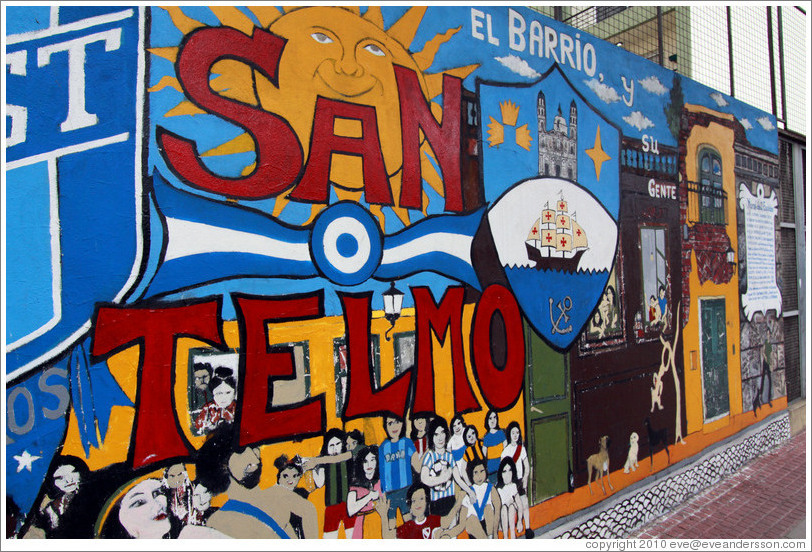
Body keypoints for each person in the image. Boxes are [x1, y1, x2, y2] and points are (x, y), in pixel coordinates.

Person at [195, 428, 317, 538]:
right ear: (222, 465)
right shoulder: (219, 521)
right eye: (241, 451)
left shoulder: (277, 493)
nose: (255, 456)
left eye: (253, 448)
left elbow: (309, 511)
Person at [420, 417, 474, 519]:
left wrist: (470, 492)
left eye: (442, 433)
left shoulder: (449, 456)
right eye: (436, 434)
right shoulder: (430, 456)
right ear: (431, 437)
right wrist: (442, 478)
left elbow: (458, 478)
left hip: (451, 500)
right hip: (436, 503)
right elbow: (424, 478)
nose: (440, 438)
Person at [28, 456, 93, 538]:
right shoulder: (46, 510)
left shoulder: (88, 499)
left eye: (72, 472)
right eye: (60, 478)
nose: (69, 480)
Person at [311, 428, 356, 538]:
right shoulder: (323, 463)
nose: (335, 448)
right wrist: (313, 468)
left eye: (338, 444)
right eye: (331, 445)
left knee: (353, 536)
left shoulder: (348, 457)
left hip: (349, 505)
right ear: (326, 447)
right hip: (331, 506)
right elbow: (320, 483)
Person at [439, 459, 500, 539]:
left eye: (482, 471)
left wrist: (495, 533)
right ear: (471, 474)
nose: (479, 476)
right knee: (471, 519)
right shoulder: (468, 492)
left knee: (488, 508)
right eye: (476, 472)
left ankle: (490, 536)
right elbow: (461, 524)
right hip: (475, 529)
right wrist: (449, 534)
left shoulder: (490, 488)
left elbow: (498, 509)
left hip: (489, 526)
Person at [378, 415, 419, 524]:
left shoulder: (407, 442)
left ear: (402, 423)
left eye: (397, 422)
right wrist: (382, 493)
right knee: (391, 524)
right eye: (390, 423)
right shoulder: (383, 447)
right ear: (385, 426)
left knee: (409, 522)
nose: (394, 427)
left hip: (406, 490)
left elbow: (417, 466)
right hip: (390, 493)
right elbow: (381, 473)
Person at [378, 483, 442, 539]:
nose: (417, 503)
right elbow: (387, 537)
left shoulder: (435, 520)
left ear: (427, 501)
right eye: (414, 501)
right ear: (410, 506)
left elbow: (449, 523)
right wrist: (383, 515)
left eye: (421, 499)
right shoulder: (407, 527)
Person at [501, 422, 532, 538]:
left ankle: (528, 528)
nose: (515, 435)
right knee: (512, 508)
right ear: (509, 434)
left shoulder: (521, 449)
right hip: (510, 483)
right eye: (513, 433)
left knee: (524, 504)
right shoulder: (505, 451)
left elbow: (527, 466)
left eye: (517, 433)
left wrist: (525, 478)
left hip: (519, 480)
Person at [347, 445, 383, 538]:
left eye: (372, 460)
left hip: (379, 521)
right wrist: (369, 496)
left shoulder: (381, 481)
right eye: (365, 461)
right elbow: (350, 510)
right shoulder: (355, 484)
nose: (369, 465)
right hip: (362, 524)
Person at [193, 366, 236, 434]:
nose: (223, 397)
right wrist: (209, 423)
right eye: (219, 393)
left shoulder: (238, 407)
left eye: (228, 392)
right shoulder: (208, 408)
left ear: (234, 393)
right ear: (213, 394)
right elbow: (198, 426)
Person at [495, 457, 523, 539]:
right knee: (503, 508)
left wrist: (520, 521)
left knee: (511, 507)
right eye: (504, 471)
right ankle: (505, 537)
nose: (507, 474)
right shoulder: (499, 489)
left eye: (510, 470)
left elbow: (519, 505)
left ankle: (512, 535)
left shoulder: (513, 486)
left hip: (512, 512)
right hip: (502, 516)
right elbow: (496, 507)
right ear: (501, 474)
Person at [482, 410, 506, 485]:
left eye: (494, 418)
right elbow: (484, 455)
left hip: (502, 469)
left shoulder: (501, 433)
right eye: (490, 418)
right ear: (487, 421)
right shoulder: (486, 437)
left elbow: (506, 450)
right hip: (491, 471)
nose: (493, 420)